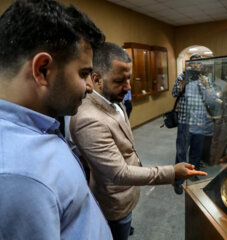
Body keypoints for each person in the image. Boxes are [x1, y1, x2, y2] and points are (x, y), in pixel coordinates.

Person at [70, 42, 207, 240]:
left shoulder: (114, 98)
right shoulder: (88, 120)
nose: (127, 87)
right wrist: (172, 173)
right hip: (115, 202)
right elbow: (119, 173)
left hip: (129, 193)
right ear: (96, 79)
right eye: (120, 80)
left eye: (129, 79)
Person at [0, 1, 112, 239]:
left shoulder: (40, 125)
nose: (90, 87)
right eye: (84, 74)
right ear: (42, 70)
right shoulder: (20, 177)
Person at [172, 53, 212, 194]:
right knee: (181, 151)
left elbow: (210, 99)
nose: (195, 65)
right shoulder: (181, 77)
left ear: (201, 65)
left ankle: (193, 173)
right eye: (193, 63)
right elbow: (174, 93)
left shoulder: (205, 79)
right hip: (185, 121)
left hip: (200, 122)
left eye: (198, 63)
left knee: (196, 151)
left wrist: (206, 86)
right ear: (189, 64)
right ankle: (178, 180)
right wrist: (182, 84)